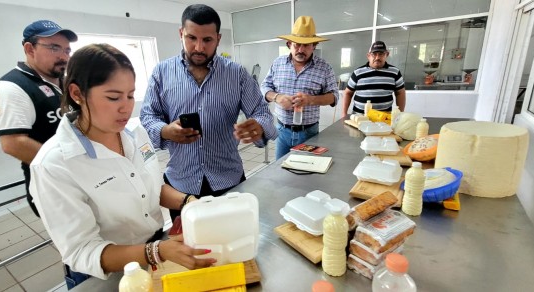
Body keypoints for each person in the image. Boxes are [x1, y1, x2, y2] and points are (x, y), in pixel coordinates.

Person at [29, 44, 216, 289]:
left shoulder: (135, 133)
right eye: (113, 97)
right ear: (77, 94)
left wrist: (189, 202)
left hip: (155, 253)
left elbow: (151, 188)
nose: (126, 107)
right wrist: (155, 251)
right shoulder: (54, 165)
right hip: (103, 277)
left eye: (130, 95)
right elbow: (83, 251)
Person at [140, 4, 277, 219]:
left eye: (207, 40)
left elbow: (262, 112)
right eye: (191, 38)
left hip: (228, 181)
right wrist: (166, 130)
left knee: (233, 243)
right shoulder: (162, 73)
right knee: (187, 247)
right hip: (181, 183)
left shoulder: (237, 74)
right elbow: (148, 117)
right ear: (180, 34)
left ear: (218, 39)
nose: (199, 48)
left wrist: (259, 126)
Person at [0, 20, 78, 217]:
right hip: (53, 184)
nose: (64, 56)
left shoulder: (66, 81)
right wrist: (69, 169)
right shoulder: (12, 86)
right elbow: (13, 143)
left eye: (67, 50)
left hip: (81, 175)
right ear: (30, 48)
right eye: (55, 47)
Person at [261, 16, 339, 158]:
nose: (301, 49)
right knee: (281, 172)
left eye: (306, 45)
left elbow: (334, 96)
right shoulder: (277, 63)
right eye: (297, 44)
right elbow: (264, 87)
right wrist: (277, 97)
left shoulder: (324, 68)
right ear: (289, 44)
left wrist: (311, 100)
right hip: (282, 131)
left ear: (314, 45)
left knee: (306, 176)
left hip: (309, 133)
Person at [342, 41, 406, 116]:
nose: (377, 57)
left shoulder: (395, 72)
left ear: (387, 54)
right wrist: (344, 114)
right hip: (359, 118)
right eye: (374, 54)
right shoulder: (357, 73)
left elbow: (400, 93)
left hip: (384, 120)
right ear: (368, 56)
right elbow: (348, 93)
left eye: (381, 54)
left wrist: (400, 114)